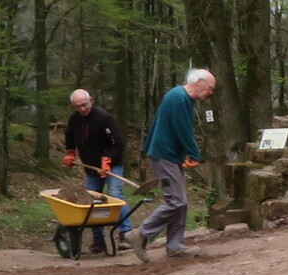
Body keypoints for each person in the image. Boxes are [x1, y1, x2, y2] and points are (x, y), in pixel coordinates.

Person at [129, 68, 214, 261]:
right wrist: (194, 153)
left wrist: (185, 154)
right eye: (210, 87)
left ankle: (175, 246)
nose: (211, 92)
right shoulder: (178, 98)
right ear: (199, 82)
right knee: (176, 201)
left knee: (181, 203)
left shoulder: (184, 99)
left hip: (171, 155)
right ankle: (140, 234)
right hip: (164, 155)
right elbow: (183, 130)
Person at [61, 88, 125, 254]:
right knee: (91, 202)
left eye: (85, 104)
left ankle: (126, 234)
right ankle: (98, 240)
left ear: (91, 100)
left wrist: (108, 159)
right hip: (91, 167)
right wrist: (70, 153)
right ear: (73, 106)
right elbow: (69, 137)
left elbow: (118, 143)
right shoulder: (74, 120)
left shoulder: (104, 118)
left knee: (115, 196)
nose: (83, 108)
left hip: (112, 165)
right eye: (78, 106)